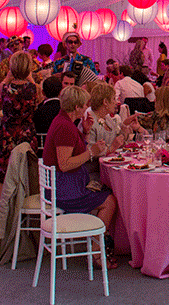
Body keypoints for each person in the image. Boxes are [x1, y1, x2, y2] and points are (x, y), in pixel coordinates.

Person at [43, 86, 119, 269]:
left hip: (64, 185)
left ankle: (95, 245)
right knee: (110, 201)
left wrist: (85, 133)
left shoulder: (64, 122)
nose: (87, 107)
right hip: (64, 190)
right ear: (77, 106)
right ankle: (96, 252)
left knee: (106, 192)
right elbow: (65, 164)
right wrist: (91, 152)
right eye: (85, 104)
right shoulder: (64, 128)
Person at [0, 52, 40, 185]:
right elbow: (39, 97)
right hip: (26, 134)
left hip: (7, 135)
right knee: (27, 178)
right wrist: (30, 78)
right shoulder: (33, 88)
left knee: (3, 180)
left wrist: (7, 79)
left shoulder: (5, 88)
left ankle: (2, 206)